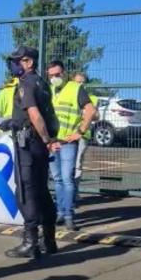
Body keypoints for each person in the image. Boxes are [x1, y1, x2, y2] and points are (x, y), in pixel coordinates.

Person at [0, 46, 59, 260]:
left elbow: (34, 114)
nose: (15, 65)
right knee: (41, 190)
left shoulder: (27, 83)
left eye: (19, 60)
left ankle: (30, 242)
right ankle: (49, 240)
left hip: (30, 142)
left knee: (26, 191)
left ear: (29, 62)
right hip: (38, 144)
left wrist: (45, 138)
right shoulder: (42, 83)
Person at [46, 61, 96, 231]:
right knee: (57, 179)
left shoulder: (75, 88)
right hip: (53, 142)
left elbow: (90, 110)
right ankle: (60, 212)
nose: (54, 78)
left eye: (57, 74)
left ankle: (69, 215)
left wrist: (80, 132)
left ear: (64, 73)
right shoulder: (49, 90)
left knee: (67, 179)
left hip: (68, 142)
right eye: (51, 75)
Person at [72, 72, 98, 195]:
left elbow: (95, 115)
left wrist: (88, 114)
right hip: (67, 134)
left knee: (77, 163)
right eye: (78, 82)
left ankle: (74, 192)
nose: (81, 84)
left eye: (83, 82)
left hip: (82, 134)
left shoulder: (91, 98)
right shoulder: (68, 95)